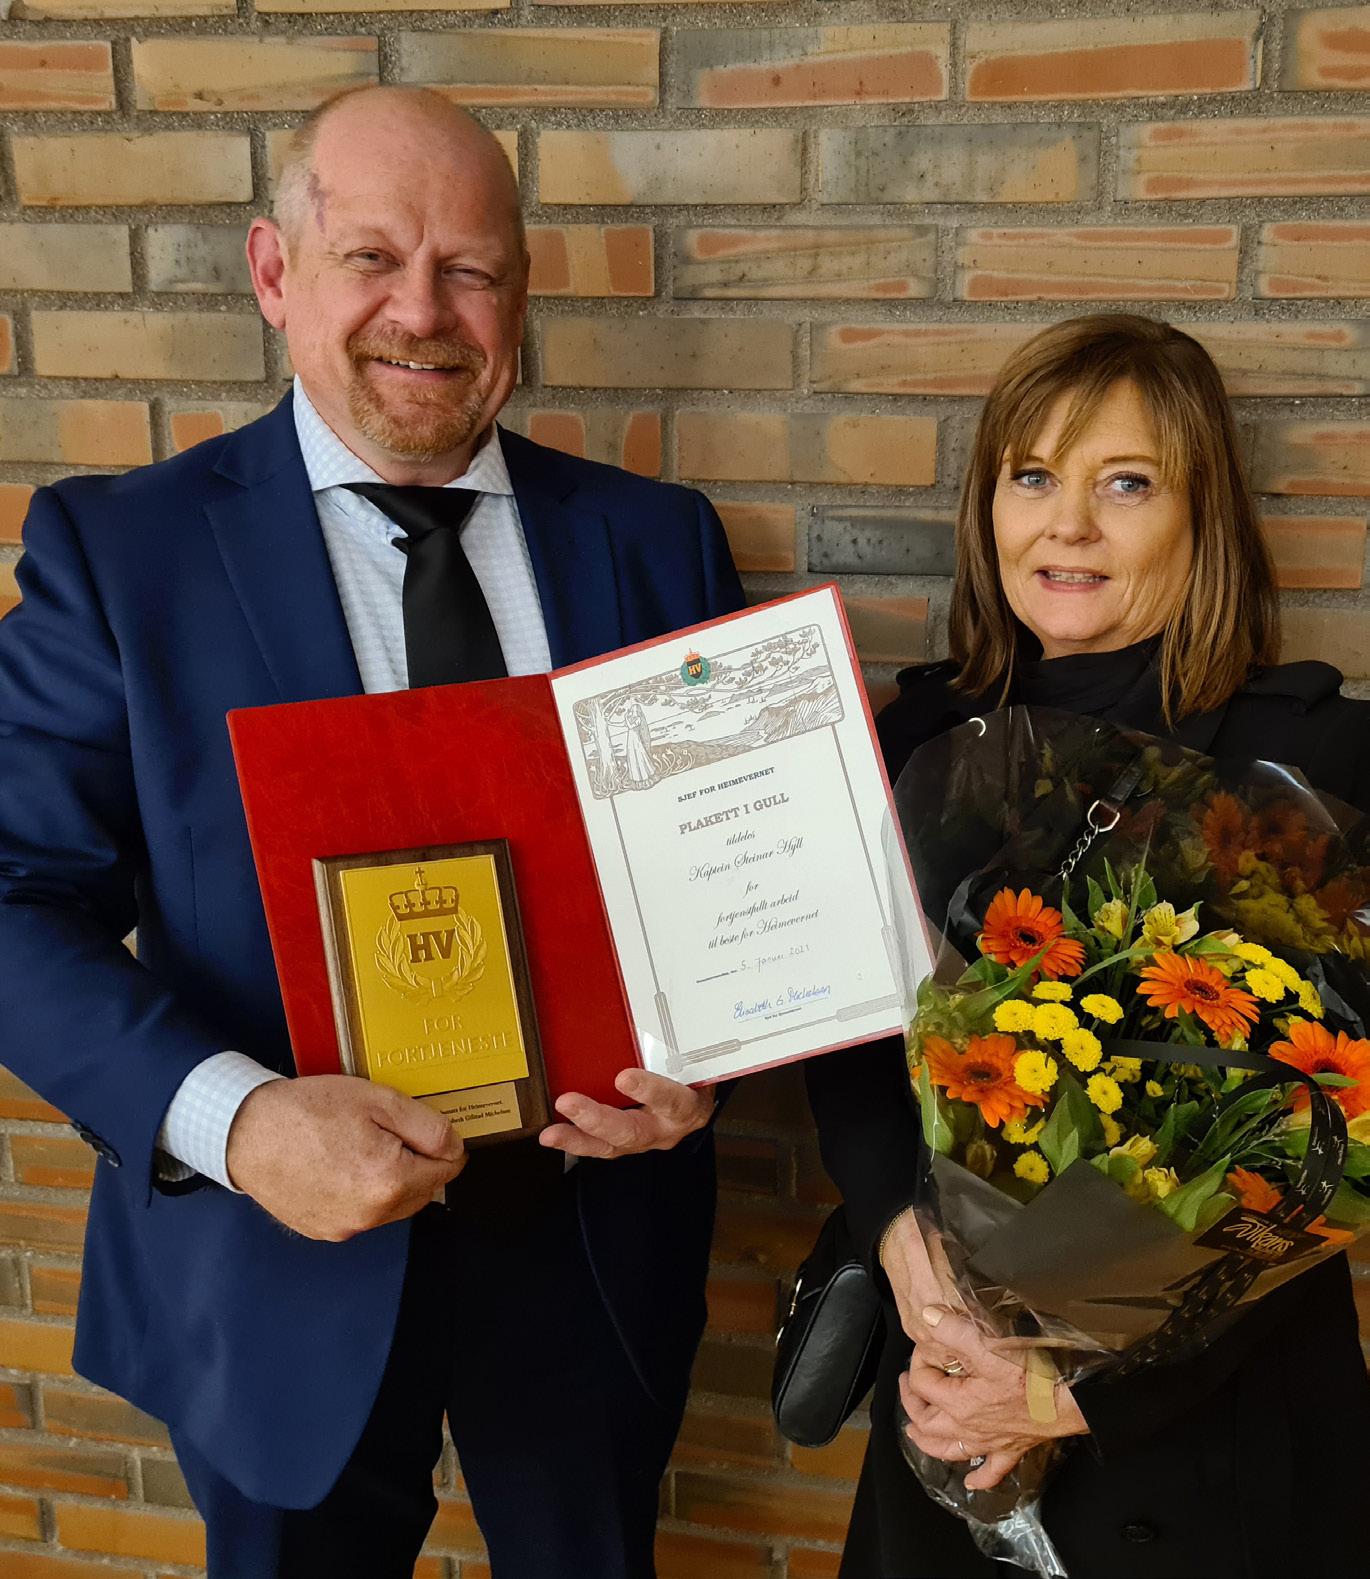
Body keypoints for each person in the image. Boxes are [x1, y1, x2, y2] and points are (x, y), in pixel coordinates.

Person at [0, 86, 745, 1579]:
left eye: (470, 270)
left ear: (519, 298)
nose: (423, 312)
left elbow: (726, 872)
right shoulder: (121, 552)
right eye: (373, 259)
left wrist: (717, 1051)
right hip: (273, 1260)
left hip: (589, 1248)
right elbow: (14, 898)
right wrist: (238, 1122)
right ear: (274, 272)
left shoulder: (656, 541)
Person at [805, 313, 1370, 1579]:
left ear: (1199, 518)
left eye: (1124, 484)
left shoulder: (1310, 761)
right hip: (946, 1392)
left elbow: (1325, 1143)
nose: (1066, 525)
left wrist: (1074, 1390)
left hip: (1211, 1440)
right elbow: (848, 1045)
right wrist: (898, 1235)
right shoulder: (913, 743)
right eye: (1031, 477)